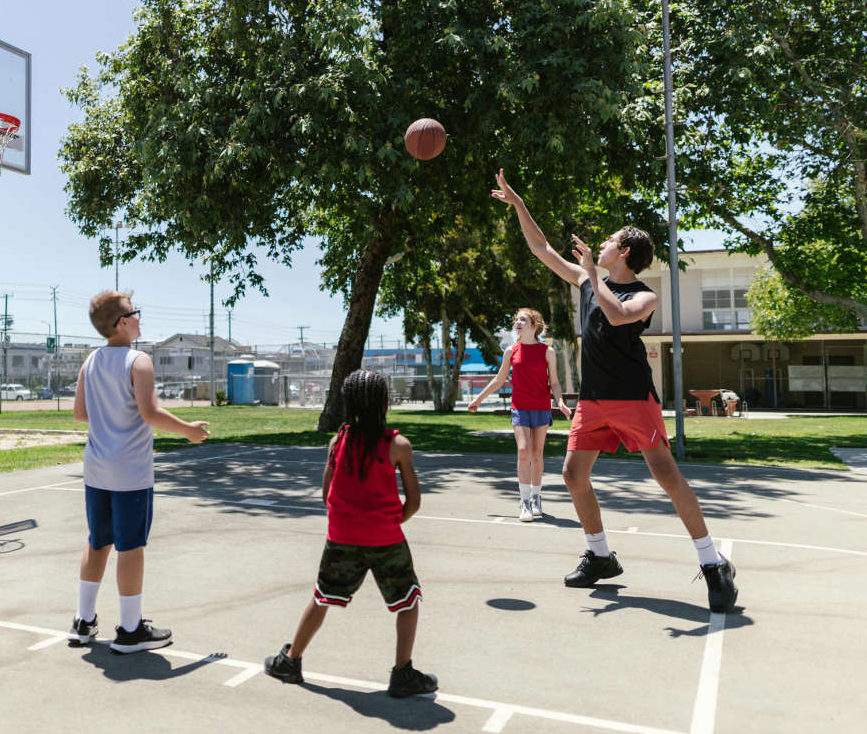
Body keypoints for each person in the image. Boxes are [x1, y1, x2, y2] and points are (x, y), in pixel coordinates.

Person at [489, 170, 738, 613]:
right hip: (592, 399)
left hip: (632, 397)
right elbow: (540, 248)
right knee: (571, 474)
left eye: (607, 241)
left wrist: (589, 273)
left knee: (665, 475)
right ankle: (600, 555)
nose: (598, 245)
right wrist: (519, 206)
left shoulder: (644, 295)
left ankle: (714, 566)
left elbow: (619, 315)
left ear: (623, 252)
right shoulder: (588, 281)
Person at [264, 370, 438, 697]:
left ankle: (291, 660)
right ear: (385, 403)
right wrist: (390, 522)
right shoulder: (398, 445)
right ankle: (402, 674)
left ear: (349, 403)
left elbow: (326, 494)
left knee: (322, 597)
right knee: (407, 601)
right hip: (386, 538)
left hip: (341, 536)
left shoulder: (337, 441)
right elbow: (414, 501)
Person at [69, 290, 210, 652]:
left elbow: (81, 414)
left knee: (98, 541)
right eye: (135, 313)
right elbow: (150, 413)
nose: (139, 318)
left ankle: (83, 621)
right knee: (130, 546)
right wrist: (189, 430)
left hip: (96, 468)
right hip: (129, 472)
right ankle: (130, 630)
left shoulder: (90, 362)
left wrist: (109, 416)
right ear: (122, 322)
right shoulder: (138, 361)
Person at [468, 308, 572, 521]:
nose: (517, 322)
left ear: (534, 325)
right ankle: (524, 502)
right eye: (516, 319)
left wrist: (560, 402)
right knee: (523, 451)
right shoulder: (511, 351)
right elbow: (499, 379)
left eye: (522, 319)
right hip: (520, 408)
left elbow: (554, 382)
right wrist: (478, 399)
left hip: (541, 407)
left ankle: (536, 497)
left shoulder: (547, 351)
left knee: (536, 454)